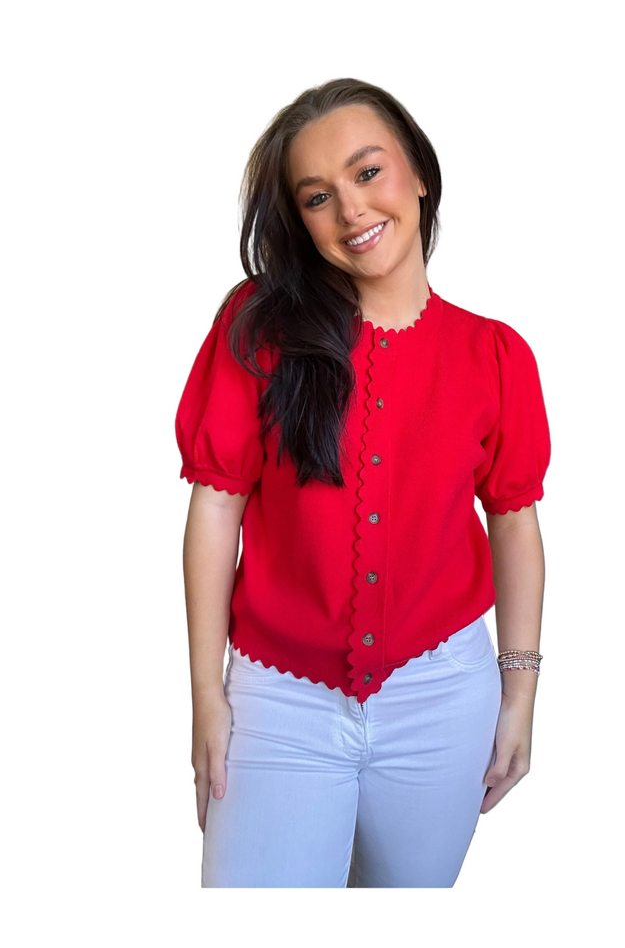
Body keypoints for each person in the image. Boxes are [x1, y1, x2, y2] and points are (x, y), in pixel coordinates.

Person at [175, 77, 551, 888]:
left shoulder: (496, 356)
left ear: (417, 170)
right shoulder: (257, 330)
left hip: (444, 697)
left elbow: (515, 521)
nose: (350, 210)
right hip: (279, 704)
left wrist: (519, 691)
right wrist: (208, 693)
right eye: (317, 196)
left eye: (367, 172)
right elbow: (215, 507)